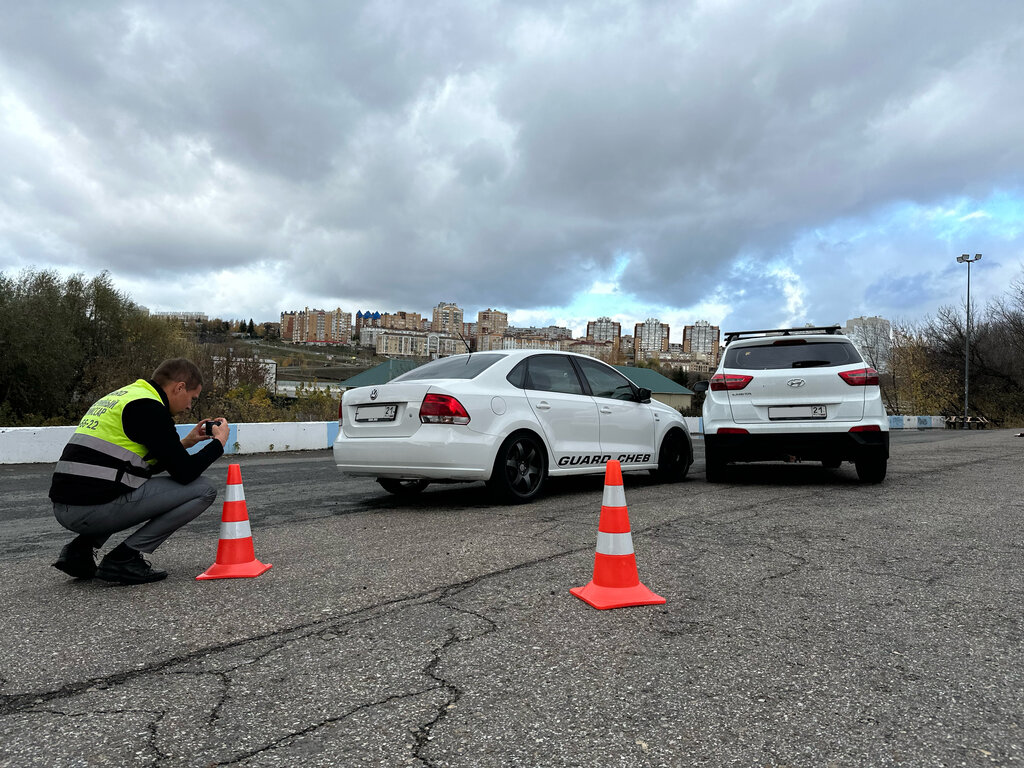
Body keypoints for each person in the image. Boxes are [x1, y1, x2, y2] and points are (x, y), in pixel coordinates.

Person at [48, 358, 229, 585]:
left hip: (65, 507)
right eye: (192, 398)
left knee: (124, 484)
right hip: (91, 510)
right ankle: (125, 558)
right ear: (179, 387)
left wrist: (183, 444)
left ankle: (79, 552)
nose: (190, 406)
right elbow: (185, 473)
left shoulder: (125, 397)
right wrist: (218, 444)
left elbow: (134, 464)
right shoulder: (151, 409)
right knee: (204, 489)